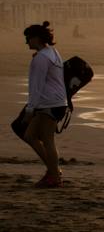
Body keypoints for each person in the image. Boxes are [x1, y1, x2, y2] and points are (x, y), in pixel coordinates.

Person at [22, 22, 65, 188]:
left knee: (47, 139)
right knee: (30, 136)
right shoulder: (52, 52)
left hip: (50, 103)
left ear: (37, 38)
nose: (26, 42)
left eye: (28, 38)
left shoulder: (41, 58)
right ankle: (53, 170)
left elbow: (36, 86)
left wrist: (30, 109)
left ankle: (54, 175)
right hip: (54, 102)